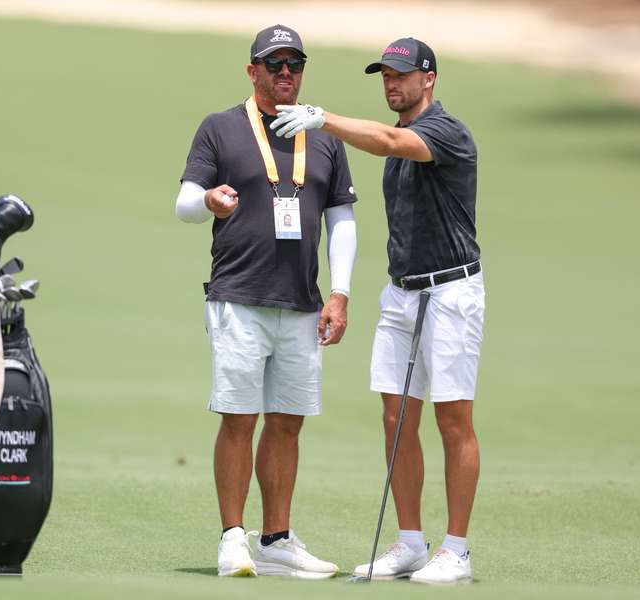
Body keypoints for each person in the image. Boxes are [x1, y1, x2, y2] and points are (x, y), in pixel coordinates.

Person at [270, 37, 484, 585]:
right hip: (403, 292)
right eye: (385, 76)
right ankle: (412, 542)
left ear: (428, 79)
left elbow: (390, 140)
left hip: (451, 291)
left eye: (402, 76)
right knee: (396, 417)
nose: (392, 84)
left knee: (451, 418)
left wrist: (324, 120)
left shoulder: (446, 132)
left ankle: (456, 551)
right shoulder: (405, 139)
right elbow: (390, 142)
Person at [175, 24, 358, 579]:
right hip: (239, 296)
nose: (285, 74)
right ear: (252, 71)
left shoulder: (324, 138)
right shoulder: (221, 128)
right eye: (273, 64)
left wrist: (341, 292)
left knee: (288, 421)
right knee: (239, 418)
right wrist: (209, 199)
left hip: (301, 303)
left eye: (294, 65)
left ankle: (276, 539)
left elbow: (341, 220)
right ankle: (234, 537)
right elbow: (185, 200)